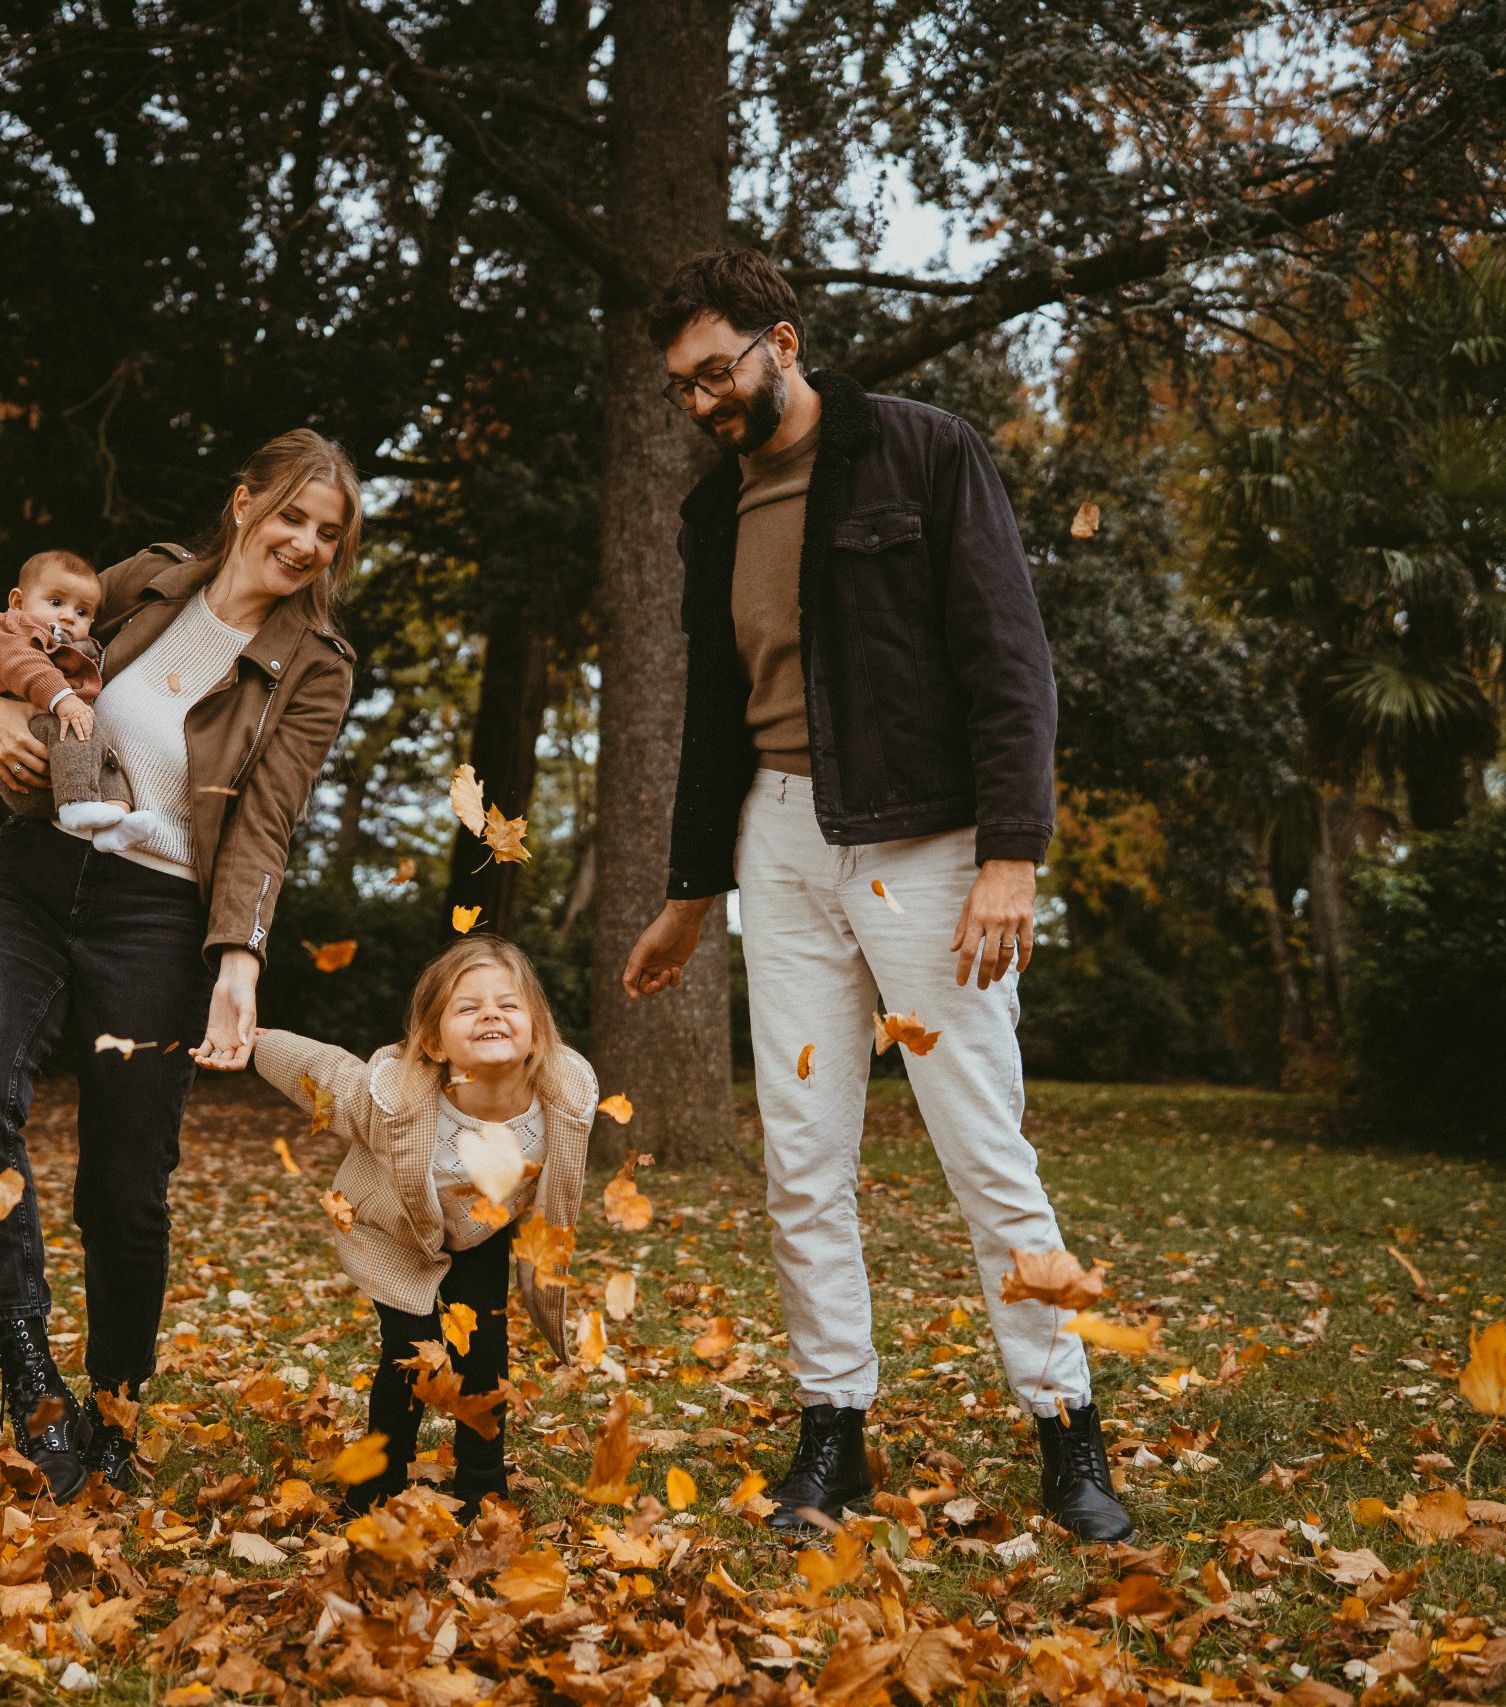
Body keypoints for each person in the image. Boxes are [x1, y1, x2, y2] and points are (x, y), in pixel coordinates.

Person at [620, 249, 1133, 1543]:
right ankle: (834, 1433)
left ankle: (1067, 1429)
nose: (702, 403)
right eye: (681, 387)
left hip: (927, 852)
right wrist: (692, 890)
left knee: (982, 1146)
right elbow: (715, 724)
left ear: (782, 340)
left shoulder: (921, 451)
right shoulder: (707, 517)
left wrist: (1013, 849)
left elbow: (1009, 654)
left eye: (717, 371)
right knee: (802, 1156)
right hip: (778, 851)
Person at [0, 429, 360, 1500]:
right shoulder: (143, 584)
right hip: (34, 875)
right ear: (243, 502)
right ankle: (31, 1384)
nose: (304, 544)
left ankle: (114, 1409)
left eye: (328, 533)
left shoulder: (313, 667)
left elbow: (266, 818)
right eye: (291, 516)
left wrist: (238, 961)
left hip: (159, 917)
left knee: (126, 1185)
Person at [247, 936, 596, 1514]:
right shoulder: (397, 1100)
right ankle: (379, 1479)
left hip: (481, 1233)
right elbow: (327, 1074)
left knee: (484, 1356)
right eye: (468, 1007)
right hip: (397, 1234)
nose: (491, 1014)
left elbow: (552, 1198)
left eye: (509, 1005)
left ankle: (483, 1480)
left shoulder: (560, 1104)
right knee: (410, 1352)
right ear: (434, 1041)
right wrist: (256, 1042)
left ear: (537, 1030)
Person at [0, 546, 160, 852]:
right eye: (56, 602)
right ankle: (76, 804)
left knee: (106, 754)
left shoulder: (82, 646)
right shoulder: (7, 628)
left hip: (67, 761)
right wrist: (63, 699)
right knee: (78, 726)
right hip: (29, 756)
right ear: (18, 602)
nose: (69, 616)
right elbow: (25, 666)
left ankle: (114, 823)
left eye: (82, 612)